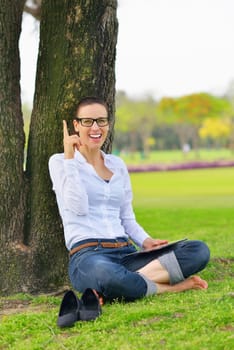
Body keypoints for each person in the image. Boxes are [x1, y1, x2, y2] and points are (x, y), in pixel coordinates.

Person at [49, 96, 210, 302]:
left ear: (108, 124)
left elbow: (126, 217)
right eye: (88, 121)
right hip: (90, 257)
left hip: (127, 254)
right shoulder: (60, 162)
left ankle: (123, 285)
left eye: (101, 120)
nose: (95, 127)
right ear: (76, 125)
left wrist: (145, 241)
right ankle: (171, 288)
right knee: (107, 275)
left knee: (198, 251)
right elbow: (77, 206)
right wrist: (70, 157)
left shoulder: (117, 164)